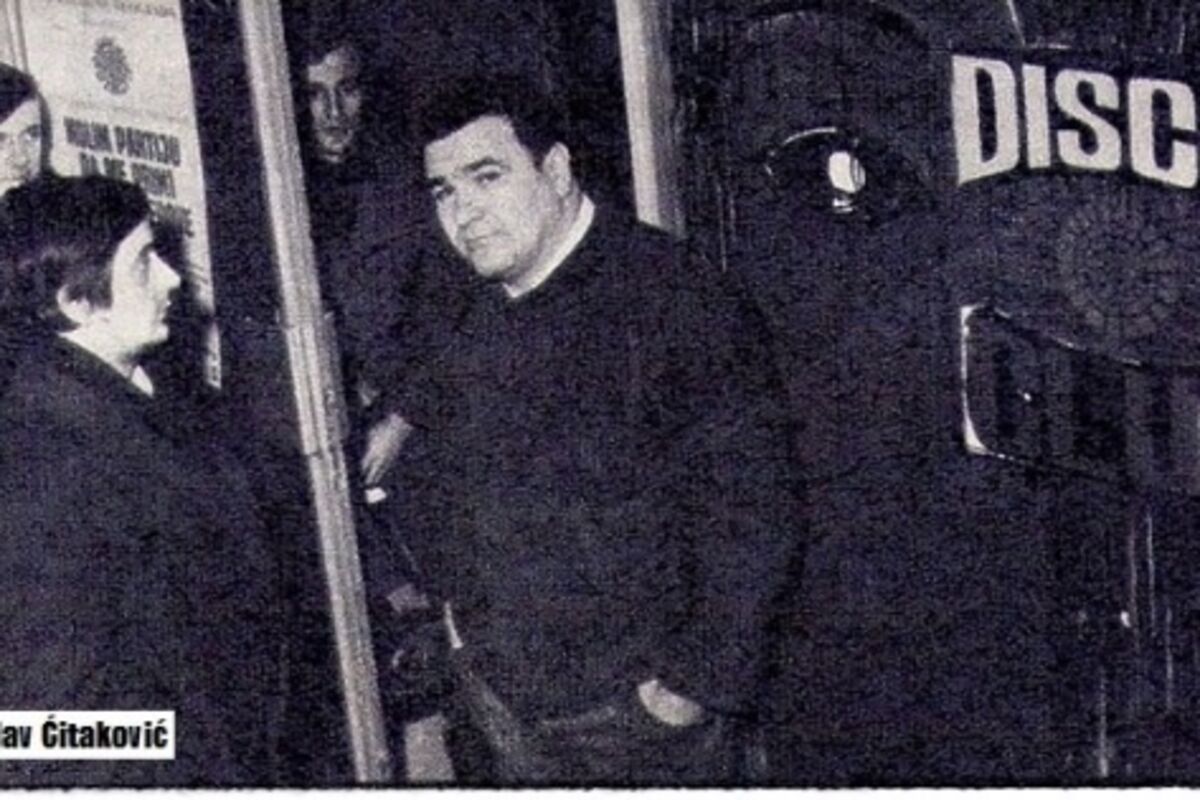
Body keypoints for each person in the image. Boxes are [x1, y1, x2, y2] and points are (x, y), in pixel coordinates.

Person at [382, 74, 801, 784]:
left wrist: (689, 690)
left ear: (555, 170)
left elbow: (756, 512)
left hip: (635, 719)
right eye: (444, 191)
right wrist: (462, 632)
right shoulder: (469, 301)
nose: (464, 212)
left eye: (487, 177)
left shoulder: (675, 299)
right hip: (503, 698)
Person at [0, 175, 285, 785]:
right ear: (77, 301)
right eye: (143, 262)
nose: (172, 278)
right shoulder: (45, 466)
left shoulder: (130, 388)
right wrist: (190, 764)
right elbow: (44, 727)